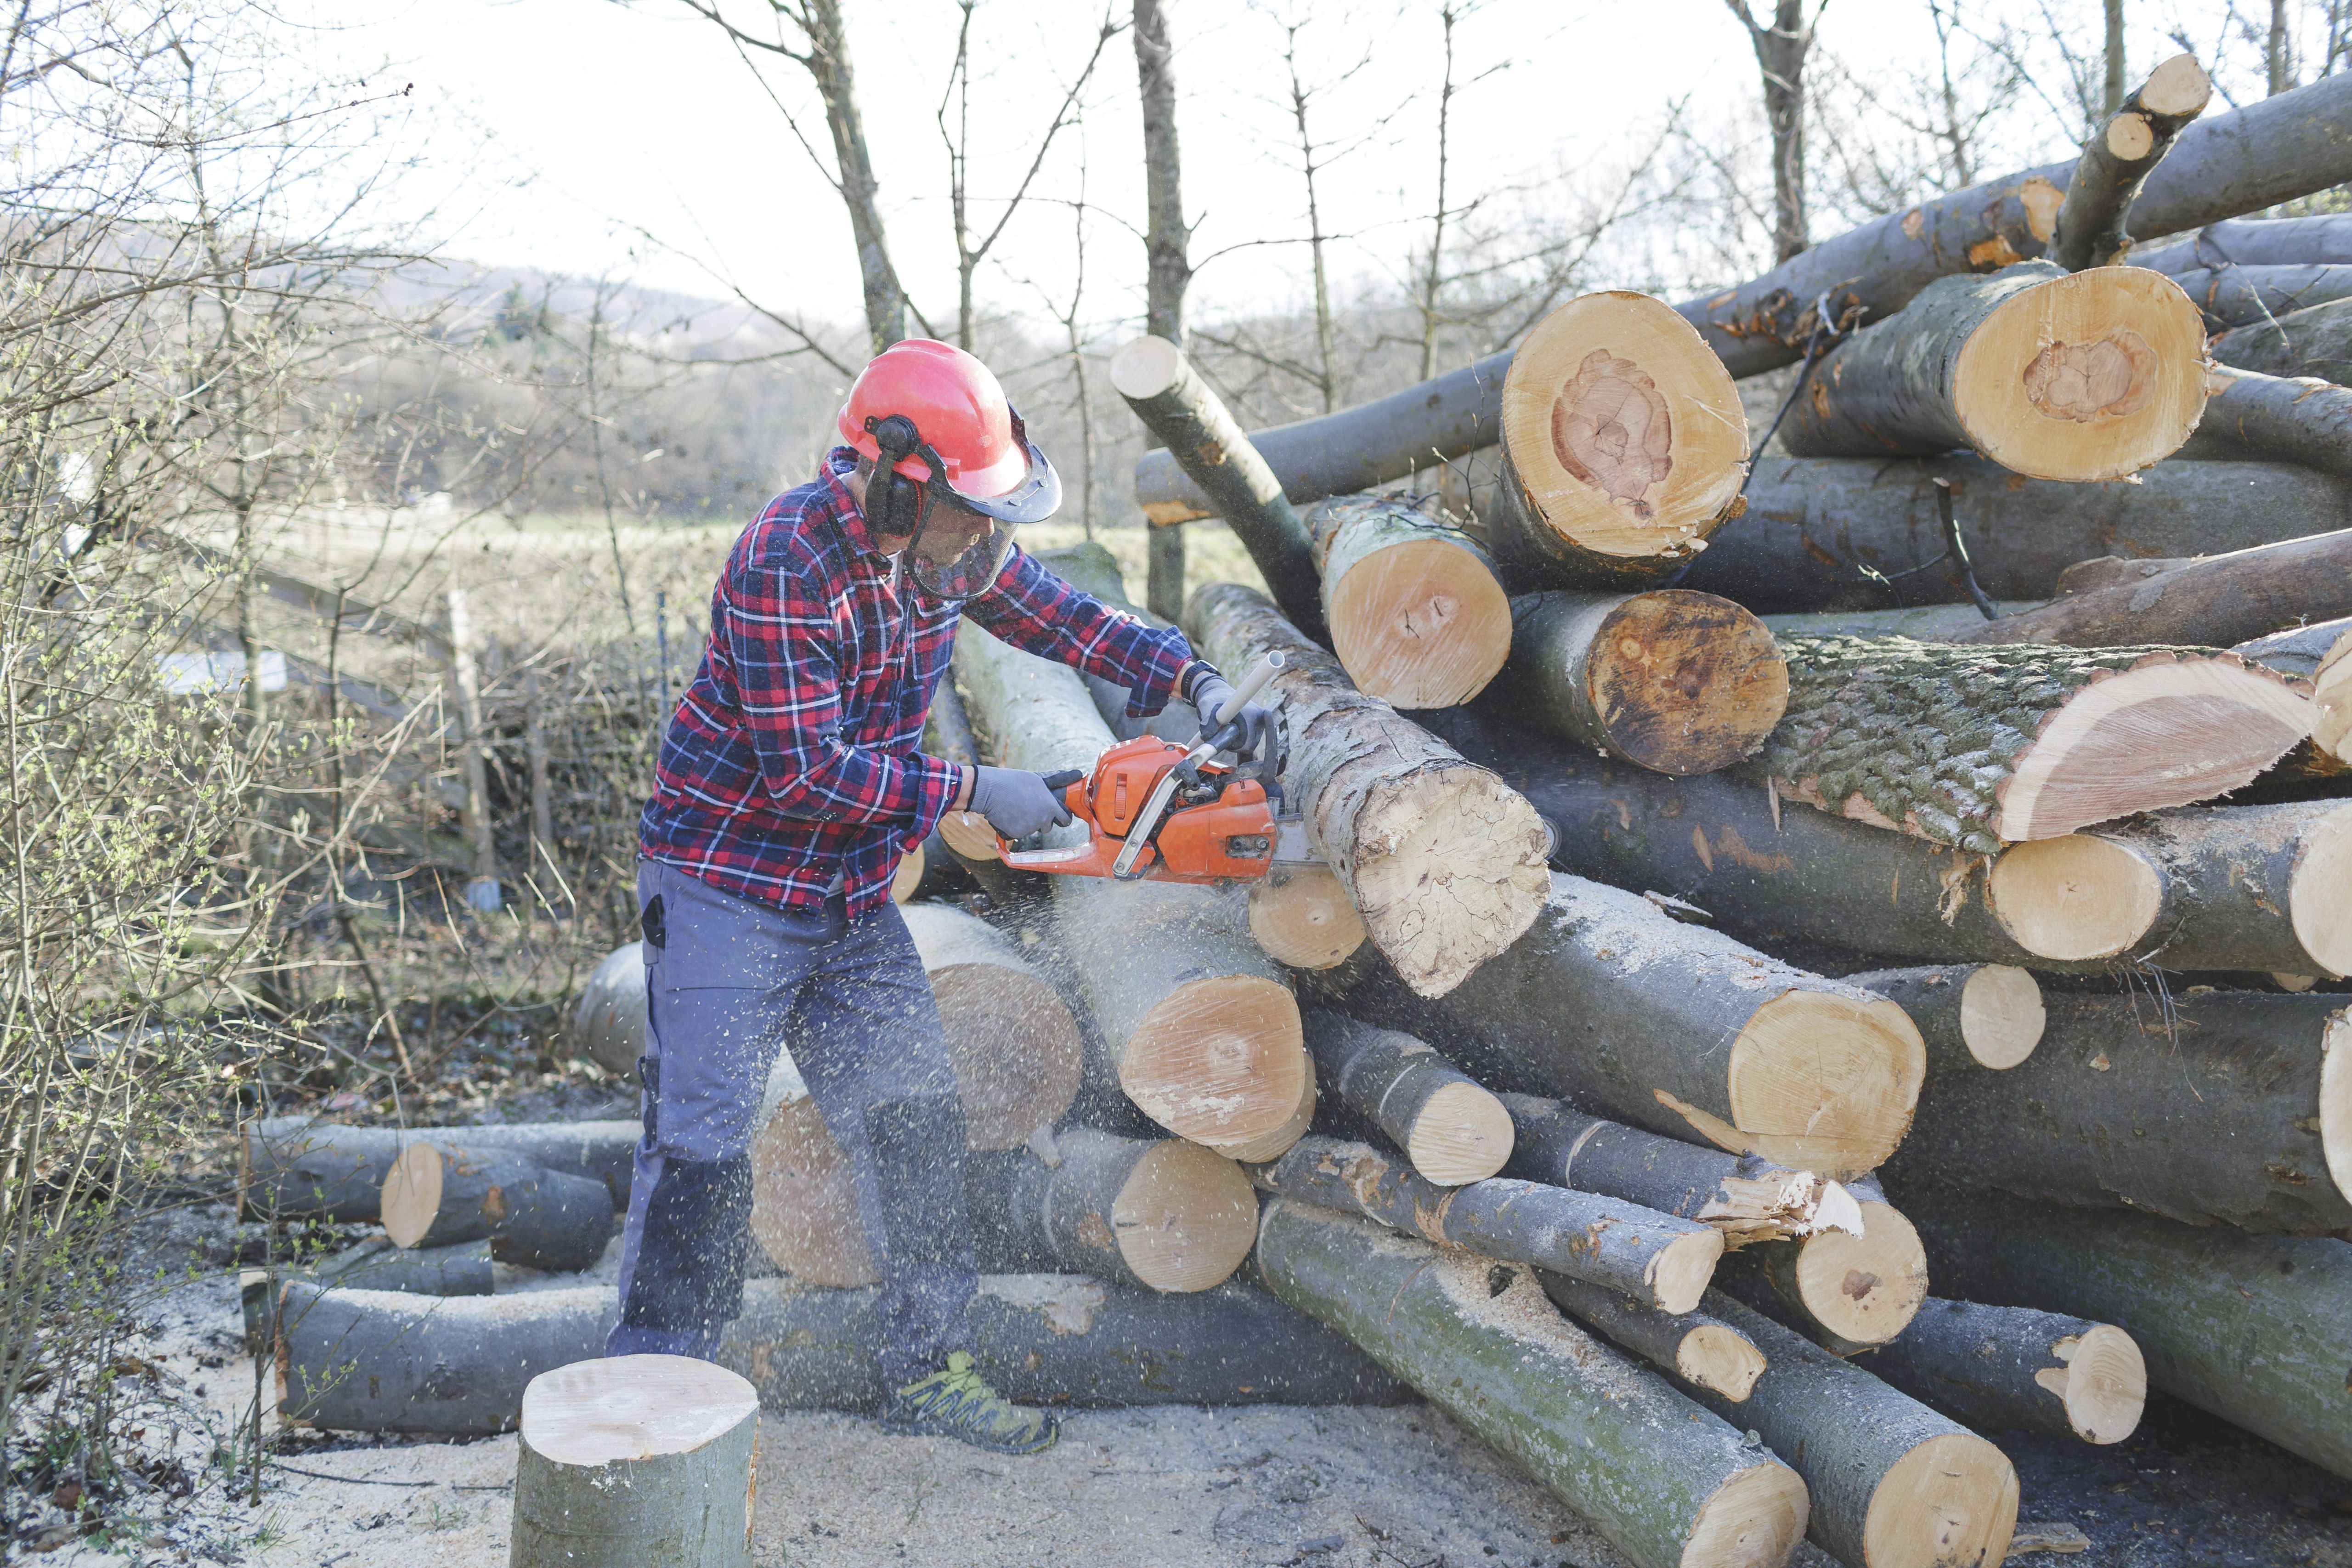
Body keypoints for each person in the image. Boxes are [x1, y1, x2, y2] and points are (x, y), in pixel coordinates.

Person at [614, 338, 1272, 1455]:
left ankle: (924, 1369)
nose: (984, 536)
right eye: (967, 512)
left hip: (851, 893)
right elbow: (808, 773)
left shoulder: (948, 551)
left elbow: (1065, 617)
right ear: (894, 484)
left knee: (917, 1116)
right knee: (702, 1145)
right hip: (729, 880)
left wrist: (1192, 677)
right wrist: (978, 786)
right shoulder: (789, 558)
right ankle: (656, 1402)